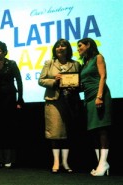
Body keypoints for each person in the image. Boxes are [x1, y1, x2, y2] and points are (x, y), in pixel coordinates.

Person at [38, 38, 81, 173]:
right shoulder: (49, 63)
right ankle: (56, 161)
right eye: (58, 46)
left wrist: (75, 87)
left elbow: (80, 82)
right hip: (54, 101)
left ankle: (65, 162)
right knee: (55, 133)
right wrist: (54, 81)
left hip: (70, 101)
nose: (60, 48)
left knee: (67, 132)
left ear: (68, 48)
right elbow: (41, 80)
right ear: (54, 49)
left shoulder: (75, 64)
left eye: (63, 46)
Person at [77, 38, 112, 176]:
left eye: (80, 46)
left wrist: (99, 96)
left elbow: (103, 77)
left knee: (102, 130)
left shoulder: (98, 57)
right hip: (88, 98)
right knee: (93, 131)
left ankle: (104, 163)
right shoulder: (84, 63)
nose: (78, 48)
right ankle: (101, 165)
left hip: (99, 96)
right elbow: (83, 83)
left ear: (88, 45)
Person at [0, 41, 24, 168]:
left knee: (8, 129)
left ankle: (9, 159)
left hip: (10, 99)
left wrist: (19, 99)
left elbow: (19, 82)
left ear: (4, 52)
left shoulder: (12, 64)